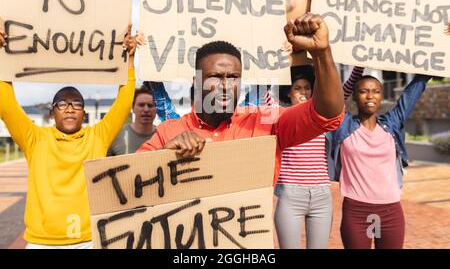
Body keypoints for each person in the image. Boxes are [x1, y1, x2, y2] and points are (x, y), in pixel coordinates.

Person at [137, 13, 345, 187]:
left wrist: (322, 53)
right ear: (196, 81)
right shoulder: (169, 132)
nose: (226, 86)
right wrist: (164, 157)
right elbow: (131, 185)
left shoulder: (267, 123)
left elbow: (327, 115)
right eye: (215, 77)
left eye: (233, 78)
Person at [0, 25, 142, 248]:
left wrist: (130, 59)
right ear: (51, 112)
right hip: (41, 243)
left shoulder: (97, 137)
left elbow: (124, 103)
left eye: (77, 104)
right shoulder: (35, 138)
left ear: (83, 114)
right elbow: (6, 105)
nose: (69, 108)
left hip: (87, 241)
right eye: (62, 104)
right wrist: (2, 55)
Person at [328, 73, 432, 249]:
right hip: (356, 212)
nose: (370, 96)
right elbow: (330, 97)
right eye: (363, 91)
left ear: (381, 96)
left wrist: (427, 72)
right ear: (354, 96)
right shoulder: (343, 125)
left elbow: (410, 94)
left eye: (376, 91)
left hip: (390, 212)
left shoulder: (392, 123)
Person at [274, 65, 364, 249]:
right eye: (297, 88)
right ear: (288, 92)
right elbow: (261, 92)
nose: (303, 92)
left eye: (307, 88)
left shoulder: (321, 118)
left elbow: (341, 92)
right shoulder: (279, 116)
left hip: (321, 196)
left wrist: (359, 66)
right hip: (290, 195)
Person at [107, 85, 157, 156]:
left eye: (150, 105)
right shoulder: (116, 135)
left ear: (156, 109)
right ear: (133, 108)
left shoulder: (163, 136)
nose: (146, 109)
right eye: (141, 105)